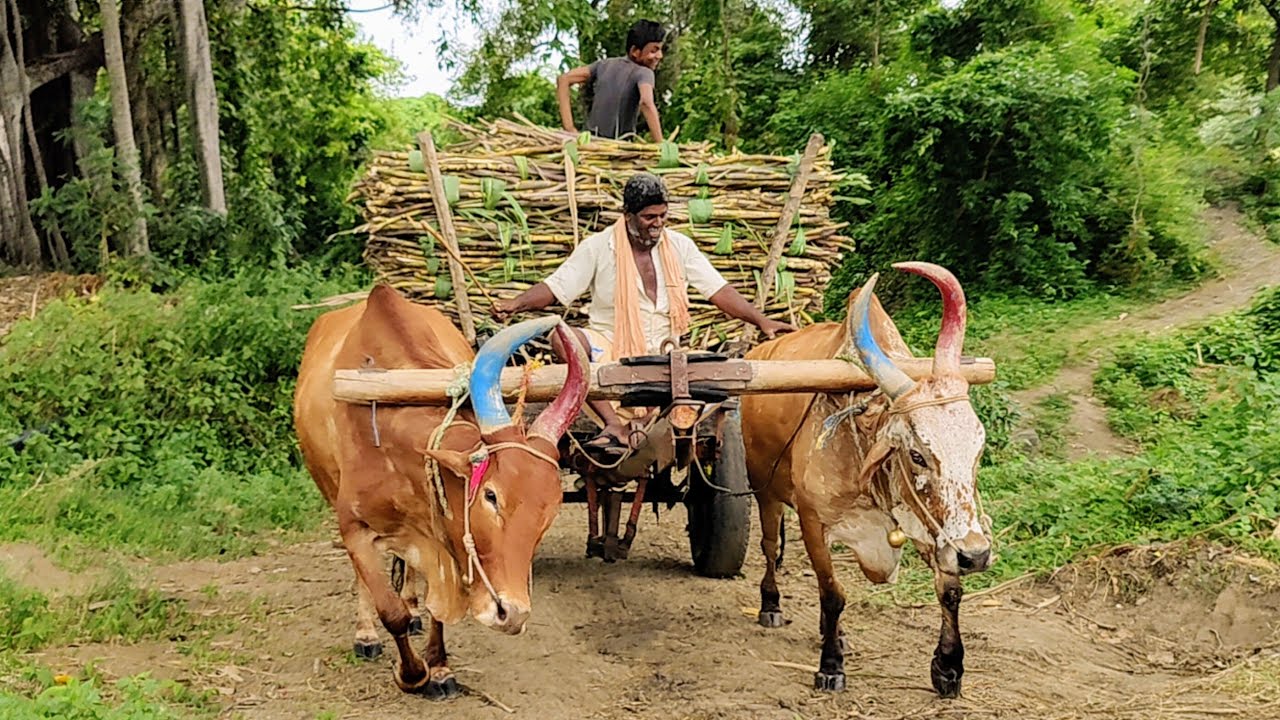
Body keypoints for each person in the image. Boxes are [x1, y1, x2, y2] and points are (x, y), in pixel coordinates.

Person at [492, 173, 794, 454]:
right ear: (628, 216)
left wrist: (761, 321)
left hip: (666, 351)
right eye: (649, 217)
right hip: (609, 346)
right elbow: (556, 289)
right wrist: (515, 304)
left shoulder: (680, 247)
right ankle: (612, 423)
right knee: (563, 339)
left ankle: (663, 419)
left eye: (663, 216)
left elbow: (718, 291)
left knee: (717, 370)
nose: (657, 223)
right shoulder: (598, 247)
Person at [556, 20, 665, 141]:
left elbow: (564, 79)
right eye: (653, 51)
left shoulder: (604, 65)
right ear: (635, 51)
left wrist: (569, 129)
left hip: (589, 144)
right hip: (618, 149)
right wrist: (661, 145)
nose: (660, 56)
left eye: (660, 50)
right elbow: (646, 103)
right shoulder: (644, 73)